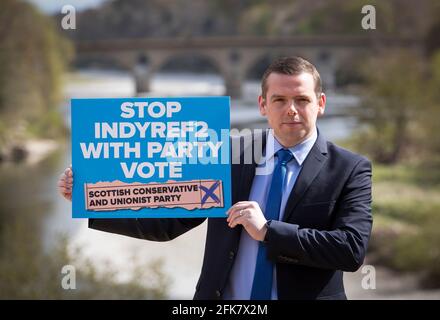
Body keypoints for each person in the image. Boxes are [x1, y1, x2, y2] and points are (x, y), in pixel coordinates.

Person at [59, 56, 372, 300]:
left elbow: (350, 249)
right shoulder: (226, 154)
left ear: (321, 104)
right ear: (263, 105)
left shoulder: (350, 168)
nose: (291, 110)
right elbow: (165, 222)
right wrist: (90, 199)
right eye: (279, 100)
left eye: (302, 100)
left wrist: (268, 232)